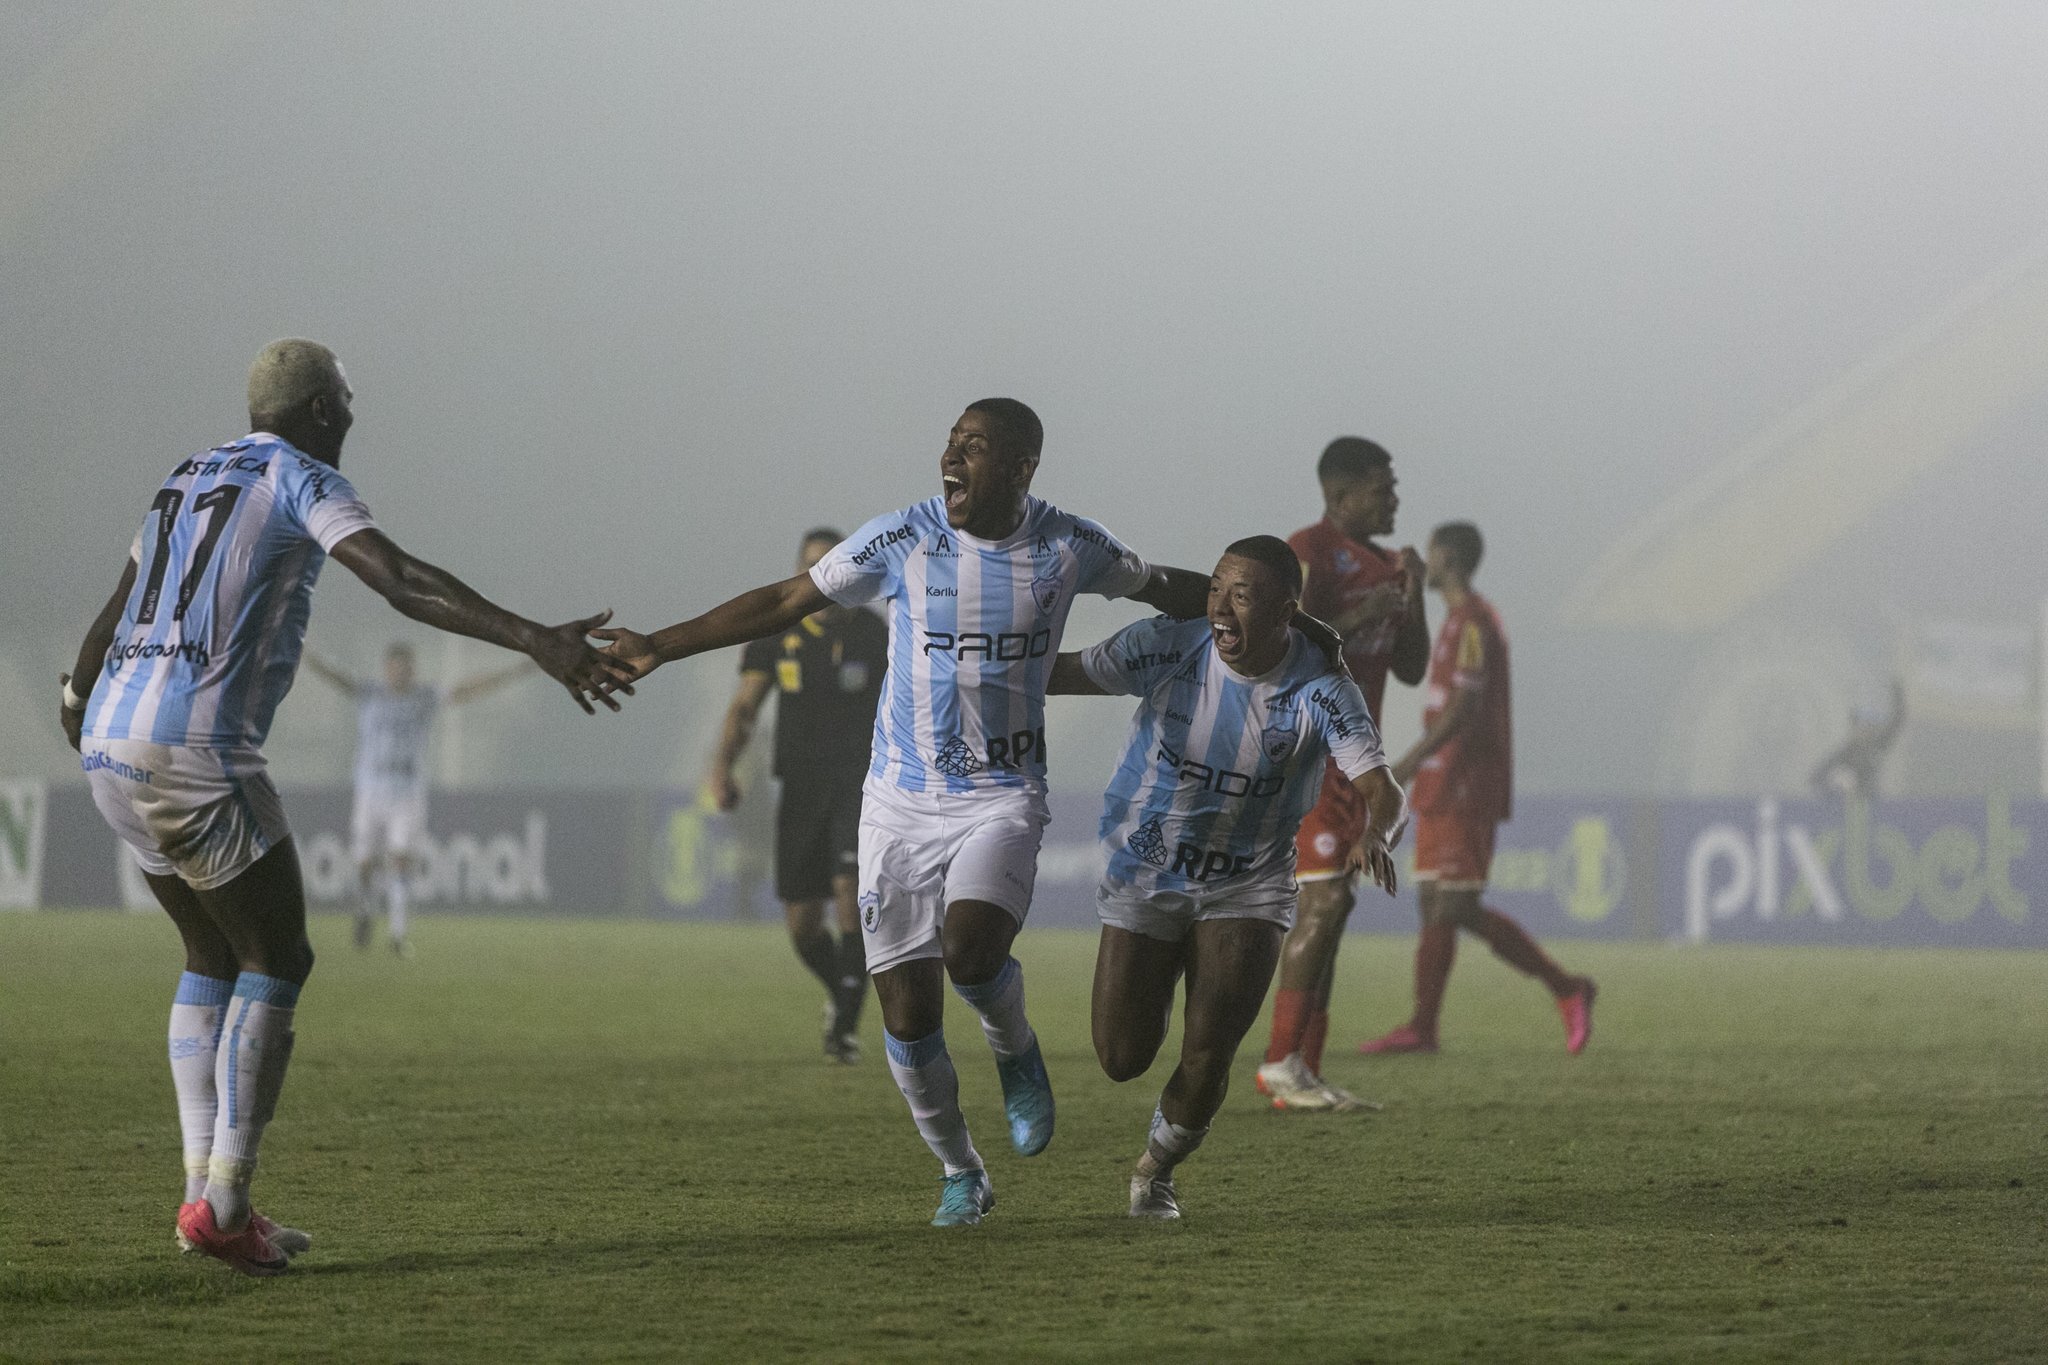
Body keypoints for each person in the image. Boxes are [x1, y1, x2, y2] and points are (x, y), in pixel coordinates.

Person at [592, 398, 1241, 1226]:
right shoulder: (903, 537)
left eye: (973, 446)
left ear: (1020, 466)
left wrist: (1274, 623)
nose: (950, 457)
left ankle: (1015, 1047)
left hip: (1000, 797)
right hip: (897, 801)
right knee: (906, 1008)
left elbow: (1164, 589)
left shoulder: (1068, 544)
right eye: (949, 443)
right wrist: (661, 643)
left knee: (969, 950)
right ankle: (961, 1171)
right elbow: (786, 599)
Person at [59, 339, 631, 1276]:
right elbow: (400, 579)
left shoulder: (186, 473)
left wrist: (77, 705)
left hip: (110, 740)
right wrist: (535, 639)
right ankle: (227, 1201)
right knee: (277, 955)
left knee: (208, 952)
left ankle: (202, 1196)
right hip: (195, 745)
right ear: (323, 410)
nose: (353, 416)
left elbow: (117, 607)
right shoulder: (298, 476)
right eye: (347, 402)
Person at [1047, 536, 1404, 1219]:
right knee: (1122, 1055)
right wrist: (966, 658)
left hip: (1248, 882)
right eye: (1215, 590)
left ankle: (1155, 1171)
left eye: (1242, 596)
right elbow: (1055, 674)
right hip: (1147, 869)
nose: (1220, 609)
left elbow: (1383, 787)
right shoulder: (1165, 644)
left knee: (1209, 1049)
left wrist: (1374, 833)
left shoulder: (1322, 688)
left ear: (1285, 613)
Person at [1356, 522, 1596, 1056]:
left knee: (1455, 906)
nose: (1430, 562)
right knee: (1434, 902)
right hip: (1444, 782)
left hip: (1468, 779)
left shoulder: (1475, 623)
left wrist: (1408, 762)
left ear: (1450, 558)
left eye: (1434, 554)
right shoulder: (1453, 623)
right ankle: (1424, 1026)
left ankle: (1565, 987)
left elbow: (1464, 710)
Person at [1256, 437, 1428, 1111]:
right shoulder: (1310, 549)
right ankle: (1279, 1062)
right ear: (1340, 496)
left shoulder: (1388, 564)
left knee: (1337, 903)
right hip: (1307, 754)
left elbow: (1411, 666)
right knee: (1324, 902)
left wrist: (1411, 598)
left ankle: (1300, 1068)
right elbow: (1279, 636)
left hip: (1356, 762)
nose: (1394, 498)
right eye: (1382, 487)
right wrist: (1361, 611)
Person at [707, 527, 888, 1062]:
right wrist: (722, 768)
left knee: (853, 897)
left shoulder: (877, 634)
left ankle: (845, 1032)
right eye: (813, 567)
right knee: (804, 925)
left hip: (863, 785)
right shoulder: (775, 633)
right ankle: (842, 993)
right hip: (801, 787)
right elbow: (745, 709)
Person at [303, 642, 532, 953]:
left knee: (400, 859)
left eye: (406, 667)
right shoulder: (370, 694)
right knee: (365, 862)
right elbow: (336, 676)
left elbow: (464, 690)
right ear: (386, 669)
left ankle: (398, 934)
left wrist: (516, 671)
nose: (401, 673)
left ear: (413, 670)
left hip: (407, 791)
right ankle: (365, 910)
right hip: (369, 789)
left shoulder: (423, 698)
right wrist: (302, 651)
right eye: (395, 667)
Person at [1810, 679, 1907, 800]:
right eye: (1861, 725)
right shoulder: (1845, 752)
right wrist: (1835, 784)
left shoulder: (1878, 745)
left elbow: (1897, 721)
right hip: (1850, 805)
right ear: (1854, 728)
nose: (1865, 730)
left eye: (1869, 726)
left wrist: (1897, 691)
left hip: (1873, 802)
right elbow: (1815, 778)